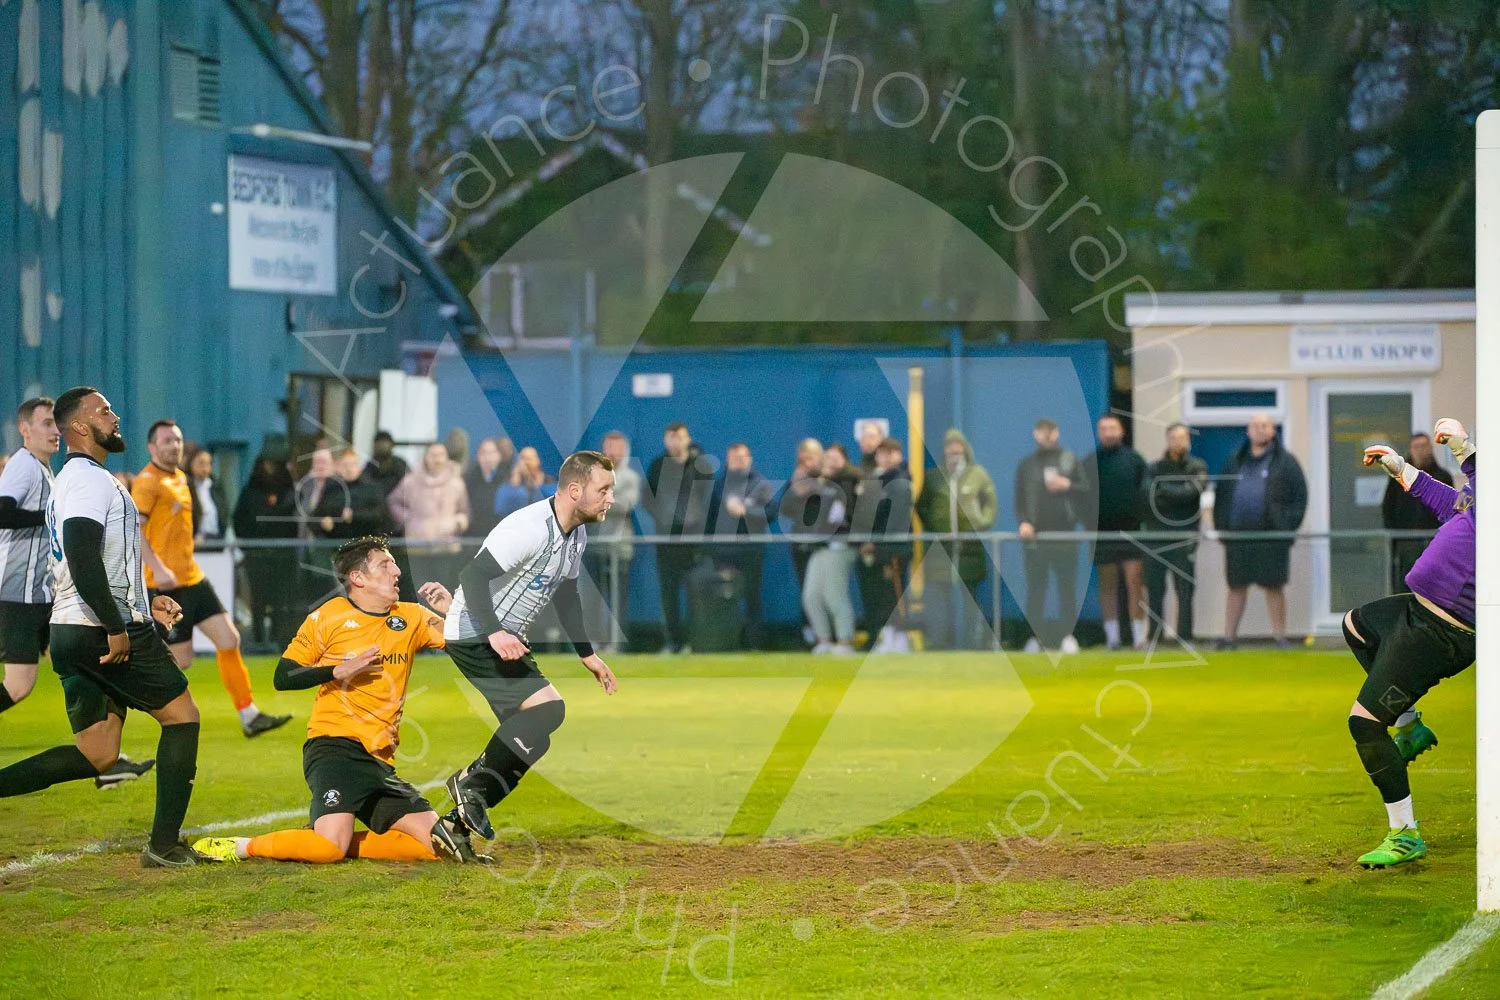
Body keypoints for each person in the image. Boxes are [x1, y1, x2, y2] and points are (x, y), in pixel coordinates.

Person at [0, 387, 204, 866]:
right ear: (79, 427)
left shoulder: (78, 479)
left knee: (99, 754)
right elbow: (81, 550)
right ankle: (164, 846)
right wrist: (117, 624)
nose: (115, 417)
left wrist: (145, 605)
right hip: (99, 630)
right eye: (104, 411)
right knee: (183, 717)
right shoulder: (87, 479)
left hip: (73, 630)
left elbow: (94, 563)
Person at [192, 537, 469, 865]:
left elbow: (470, 646)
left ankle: (321, 837)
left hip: (379, 761)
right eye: (385, 564)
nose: (396, 571)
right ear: (358, 578)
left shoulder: (412, 617)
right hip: (335, 749)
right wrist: (339, 669)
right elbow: (284, 675)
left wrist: (452, 612)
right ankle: (240, 847)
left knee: (439, 847)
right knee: (328, 850)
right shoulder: (329, 616)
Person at [440, 452, 619, 850]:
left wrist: (587, 654)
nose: (611, 498)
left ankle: (455, 826)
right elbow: (472, 575)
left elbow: (568, 594)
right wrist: (493, 633)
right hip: (475, 634)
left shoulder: (578, 534)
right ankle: (469, 786)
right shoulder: (529, 527)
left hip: (504, 638)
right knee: (549, 710)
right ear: (575, 490)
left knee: (534, 738)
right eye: (603, 489)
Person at [1343, 419, 1475, 868]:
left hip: (1443, 632)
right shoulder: (1480, 500)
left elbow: (1479, 489)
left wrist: (1463, 447)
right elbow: (1447, 501)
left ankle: (1405, 833)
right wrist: (1398, 466)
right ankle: (1409, 724)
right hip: (1418, 610)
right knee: (1356, 625)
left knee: (1363, 725)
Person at [135, 420, 291, 737]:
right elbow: (135, 530)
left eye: (177, 440)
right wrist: (158, 568)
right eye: (166, 441)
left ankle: (249, 715)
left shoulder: (180, 478)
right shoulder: (147, 482)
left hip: (193, 579)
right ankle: (128, 699)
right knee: (181, 661)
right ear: (152, 448)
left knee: (229, 639)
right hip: (167, 586)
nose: (173, 446)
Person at [1213, 413, 1308, 650]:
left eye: (1264, 425)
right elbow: (1221, 495)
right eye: (1255, 426)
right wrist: (1222, 527)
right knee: (1236, 587)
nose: (1259, 430)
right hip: (1237, 537)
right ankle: (1229, 638)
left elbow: (1300, 496)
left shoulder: (1286, 462)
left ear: (1273, 430)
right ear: (1248, 431)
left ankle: (1280, 637)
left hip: (1271, 536)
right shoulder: (1235, 460)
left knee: (1273, 586)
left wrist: (1287, 526)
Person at [0, 398, 59, 718]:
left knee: (84, 665)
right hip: (18, 592)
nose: (56, 430)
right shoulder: (23, 464)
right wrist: (51, 517)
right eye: (47, 423)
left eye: (56, 423)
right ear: (25, 430)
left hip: (40, 593)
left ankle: (101, 756)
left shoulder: (44, 468)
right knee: (18, 685)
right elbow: (2, 513)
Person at [918, 429, 999, 650]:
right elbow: (921, 505)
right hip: (940, 550)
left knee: (971, 600)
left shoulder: (978, 475)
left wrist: (981, 523)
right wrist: (935, 527)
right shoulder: (934, 477)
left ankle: (975, 643)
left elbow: (990, 503)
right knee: (938, 599)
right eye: (949, 446)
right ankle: (938, 643)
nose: (954, 450)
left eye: (958, 445)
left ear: (965, 448)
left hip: (969, 549)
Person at [1013, 418, 1087, 654]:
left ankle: (1068, 636)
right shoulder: (1027, 465)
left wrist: (1068, 485)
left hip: (1065, 534)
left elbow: (1086, 490)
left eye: (1050, 431)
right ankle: (1035, 638)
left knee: (1067, 588)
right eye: (1041, 432)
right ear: (1035, 434)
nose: (1046, 436)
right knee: (1036, 589)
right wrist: (1024, 521)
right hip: (1036, 538)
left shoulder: (1070, 460)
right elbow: (1019, 499)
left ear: (1057, 433)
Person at [644, 423, 714, 654]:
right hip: (666, 540)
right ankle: (674, 642)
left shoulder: (701, 465)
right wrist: (663, 518)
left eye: (679, 437)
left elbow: (708, 497)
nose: (675, 442)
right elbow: (647, 498)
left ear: (688, 439)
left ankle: (699, 641)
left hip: (694, 540)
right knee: (669, 592)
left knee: (696, 591)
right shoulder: (657, 466)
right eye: (670, 438)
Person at [1087, 415, 1149, 650]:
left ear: (1121, 431)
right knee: (1107, 585)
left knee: (1135, 582)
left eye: (1112, 428)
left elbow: (1146, 492)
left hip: (1132, 532)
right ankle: (1112, 639)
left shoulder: (1134, 460)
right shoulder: (1090, 461)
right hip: (1102, 533)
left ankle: (1139, 638)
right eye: (1103, 428)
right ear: (1098, 432)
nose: (1108, 432)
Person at [1142, 423, 1208, 644]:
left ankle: (1185, 635)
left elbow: (1192, 493)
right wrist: (1176, 493)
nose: (1178, 441)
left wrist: (1164, 490)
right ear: (1167, 439)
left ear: (1188, 440)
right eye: (1173, 437)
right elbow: (1146, 493)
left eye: (1182, 437)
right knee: (1154, 588)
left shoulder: (1197, 466)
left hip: (1185, 537)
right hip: (1156, 536)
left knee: (1185, 588)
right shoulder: (1154, 467)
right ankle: (1155, 635)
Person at [707, 442, 776, 649]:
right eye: (734, 458)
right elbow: (708, 518)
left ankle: (754, 643)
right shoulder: (718, 485)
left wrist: (747, 511)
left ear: (750, 459)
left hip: (751, 549)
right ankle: (725, 643)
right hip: (723, 551)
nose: (738, 461)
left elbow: (771, 512)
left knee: (752, 595)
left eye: (742, 457)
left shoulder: (760, 483)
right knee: (724, 597)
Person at [853, 437, 914, 653]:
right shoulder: (878, 480)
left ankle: (899, 641)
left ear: (898, 455)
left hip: (895, 549)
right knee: (882, 596)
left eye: (890, 453)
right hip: (881, 549)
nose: (885, 457)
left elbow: (896, 521)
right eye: (881, 453)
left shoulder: (901, 480)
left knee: (895, 595)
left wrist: (877, 545)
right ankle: (888, 638)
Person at [801, 444, 861, 654]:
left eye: (836, 457)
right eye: (828, 457)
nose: (831, 461)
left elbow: (849, 514)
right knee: (811, 595)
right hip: (819, 545)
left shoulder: (852, 480)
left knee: (835, 595)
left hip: (840, 545)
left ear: (845, 459)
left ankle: (845, 640)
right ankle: (824, 639)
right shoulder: (820, 483)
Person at [233, 450, 298, 648]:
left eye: (274, 464)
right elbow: (239, 520)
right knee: (258, 600)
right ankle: (259, 639)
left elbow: (294, 524)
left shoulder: (289, 492)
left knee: (280, 600)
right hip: (257, 556)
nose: (270, 469)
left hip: (282, 557)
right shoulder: (250, 491)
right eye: (266, 464)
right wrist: (248, 545)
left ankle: (280, 641)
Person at [387, 441, 471, 590]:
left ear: (446, 458)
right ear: (426, 457)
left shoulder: (456, 483)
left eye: (440, 455)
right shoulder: (411, 481)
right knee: (419, 589)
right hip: (418, 547)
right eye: (432, 455)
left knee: (445, 588)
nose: (436, 459)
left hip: (446, 548)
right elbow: (393, 501)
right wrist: (408, 519)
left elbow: (464, 511)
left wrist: (457, 522)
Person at [583, 431, 640, 651]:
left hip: (620, 547)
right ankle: (594, 644)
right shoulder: (590, 477)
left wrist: (598, 498)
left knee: (617, 599)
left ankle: (615, 644)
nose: (612, 453)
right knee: (592, 599)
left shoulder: (631, 478)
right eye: (608, 448)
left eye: (617, 448)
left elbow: (626, 504)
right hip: (593, 545)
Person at [1381, 432, 1453, 592]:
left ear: (1431, 448)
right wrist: (1394, 535)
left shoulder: (1442, 477)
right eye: (1416, 447)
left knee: (1434, 587)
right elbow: (1388, 507)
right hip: (1406, 542)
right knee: (1406, 587)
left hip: (1434, 542)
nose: (1421, 450)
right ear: (1411, 449)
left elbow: (1451, 509)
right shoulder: (1398, 479)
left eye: (1424, 446)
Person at [778, 438, 826, 646]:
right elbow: (784, 509)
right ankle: (809, 630)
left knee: (824, 589)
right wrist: (796, 487)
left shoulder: (827, 480)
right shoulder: (795, 481)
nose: (807, 463)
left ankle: (827, 632)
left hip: (823, 543)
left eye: (811, 458)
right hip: (800, 542)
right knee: (806, 589)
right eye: (803, 459)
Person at [329, 449, 390, 540]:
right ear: (338, 467)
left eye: (352, 464)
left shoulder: (371, 488)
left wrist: (354, 515)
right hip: (338, 543)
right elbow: (322, 511)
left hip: (366, 542)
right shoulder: (332, 489)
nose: (349, 469)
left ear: (358, 466)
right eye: (345, 465)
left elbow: (378, 515)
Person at [493, 446, 556, 522]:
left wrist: (538, 486)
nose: (526, 462)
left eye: (529, 459)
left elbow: (555, 507)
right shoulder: (508, 486)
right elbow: (500, 509)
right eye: (523, 459)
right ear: (517, 463)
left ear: (538, 461)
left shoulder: (549, 482)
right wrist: (514, 487)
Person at [464, 437, 510, 539]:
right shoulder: (469, 479)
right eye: (483, 453)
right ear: (478, 456)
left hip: (499, 537)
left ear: (499, 456)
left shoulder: (507, 480)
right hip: (473, 539)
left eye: (491, 453)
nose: (487, 457)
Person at [186, 448, 227, 545]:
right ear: (191, 463)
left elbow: (223, 512)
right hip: (195, 542)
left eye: (208, 464)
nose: (205, 468)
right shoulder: (186, 486)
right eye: (201, 463)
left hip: (216, 540)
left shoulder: (215, 486)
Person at [362, 431, 410, 510]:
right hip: (376, 505)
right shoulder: (370, 465)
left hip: (398, 505)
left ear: (391, 445)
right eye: (379, 443)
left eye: (385, 443)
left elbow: (408, 484)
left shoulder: (399, 463)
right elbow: (365, 486)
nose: (382, 446)